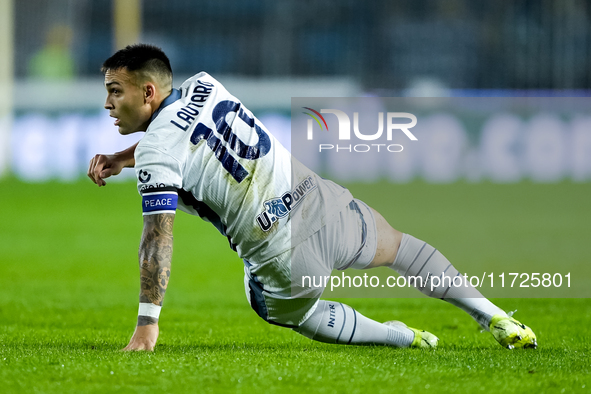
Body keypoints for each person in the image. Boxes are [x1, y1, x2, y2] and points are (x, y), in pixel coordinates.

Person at [88, 44, 537, 351]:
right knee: (400, 248)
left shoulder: (155, 151)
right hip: (323, 203)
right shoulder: (206, 85)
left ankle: (398, 337)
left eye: (115, 91)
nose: (108, 103)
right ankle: (495, 316)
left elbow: (157, 238)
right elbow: (184, 129)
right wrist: (123, 158)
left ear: (147, 92)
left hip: (283, 260)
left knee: (282, 311)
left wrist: (148, 323)